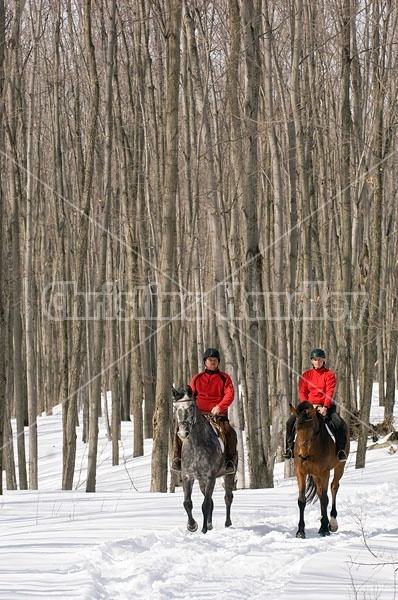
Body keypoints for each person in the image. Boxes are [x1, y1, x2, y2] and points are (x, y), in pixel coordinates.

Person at [171, 348, 238, 475]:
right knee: (180, 429)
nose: (213, 362)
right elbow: (190, 395)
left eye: (215, 360)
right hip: (198, 416)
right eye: (210, 360)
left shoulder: (225, 378)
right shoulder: (197, 378)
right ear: (205, 362)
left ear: (218, 362)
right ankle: (177, 458)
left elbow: (230, 395)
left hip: (219, 416)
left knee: (230, 432)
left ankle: (229, 461)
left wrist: (219, 406)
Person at [283, 348, 348, 462]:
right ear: (312, 361)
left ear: (323, 360)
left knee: (338, 423)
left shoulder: (329, 374)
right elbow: (303, 391)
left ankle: (340, 450)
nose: (317, 362)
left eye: (319, 359)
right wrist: (306, 406)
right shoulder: (306, 375)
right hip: (309, 407)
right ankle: (289, 448)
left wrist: (325, 407)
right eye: (314, 359)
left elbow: (329, 391)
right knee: (290, 422)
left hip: (325, 406)